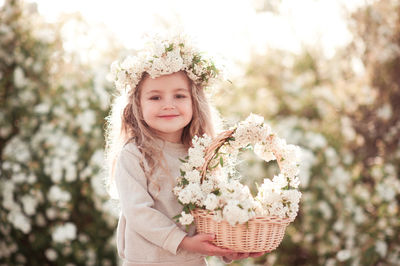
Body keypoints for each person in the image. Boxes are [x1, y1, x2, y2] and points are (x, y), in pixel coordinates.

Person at [105, 33, 264, 266]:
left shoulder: (202, 154)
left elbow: (211, 212)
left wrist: (228, 249)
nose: (168, 104)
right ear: (137, 105)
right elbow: (138, 213)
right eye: (155, 97)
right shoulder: (134, 154)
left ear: (194, 102)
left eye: (179, 95)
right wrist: (184, 242)